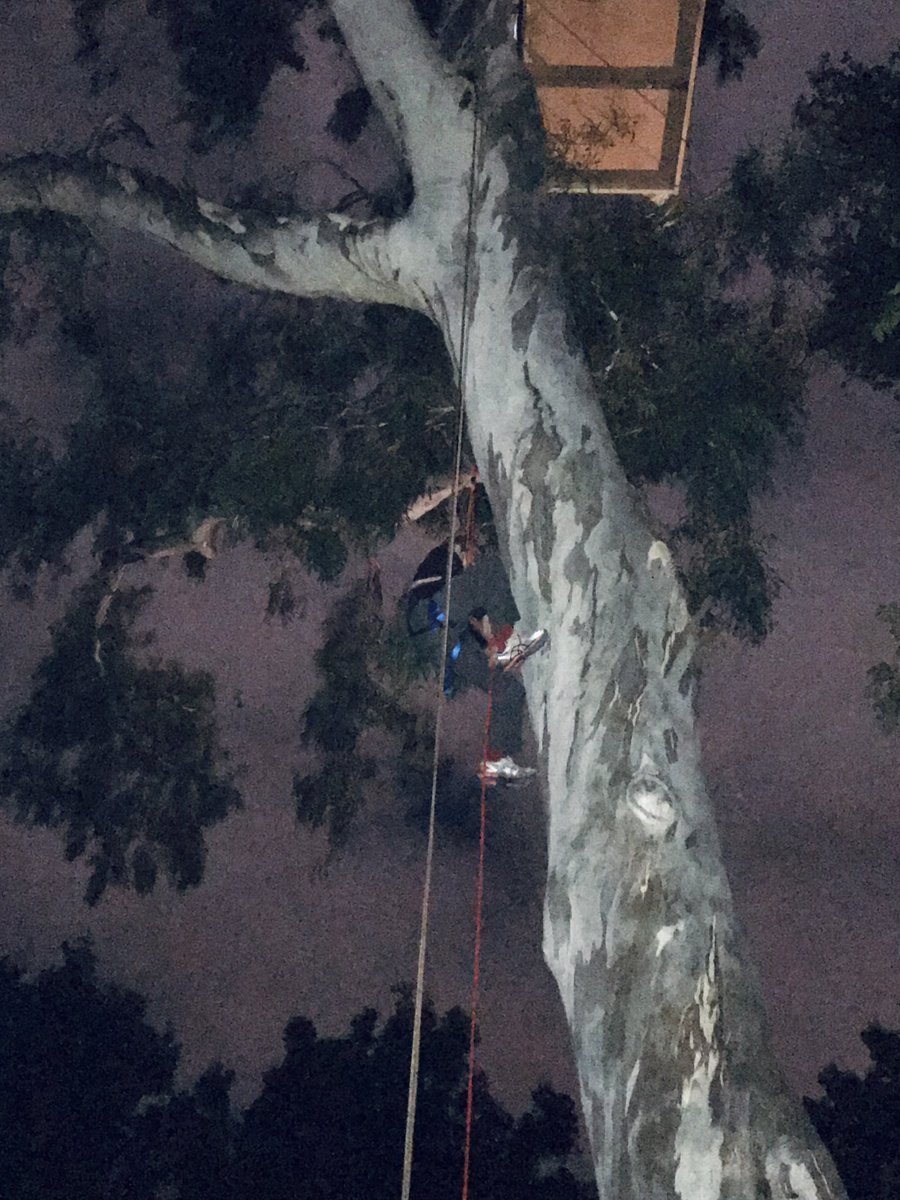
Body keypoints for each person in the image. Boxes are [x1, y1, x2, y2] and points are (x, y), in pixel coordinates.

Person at [406, 527, 548, 786]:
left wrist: (491, 648)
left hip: (447, 641)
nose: (474, 558)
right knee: (491, 566)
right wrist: (498, 642)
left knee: (509, 689)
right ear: (462, 548)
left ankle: (497, 759)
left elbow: (478, 617)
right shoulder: (444, 556)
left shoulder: (462, 590)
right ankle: (509, 644)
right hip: (431, 614)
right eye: (472, 552)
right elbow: (474, 590)